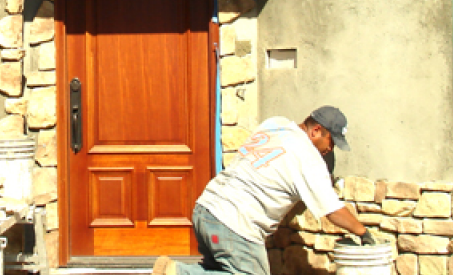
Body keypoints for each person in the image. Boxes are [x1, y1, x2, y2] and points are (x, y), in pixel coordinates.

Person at [153, 105, 376, 275]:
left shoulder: (275, 124)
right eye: (331, 141)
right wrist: (362, 232)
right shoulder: (308, 156)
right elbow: (332, 210)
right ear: (316, 131)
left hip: (206, 209)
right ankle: (177, 272)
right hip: (235, 224)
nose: (330, 149)